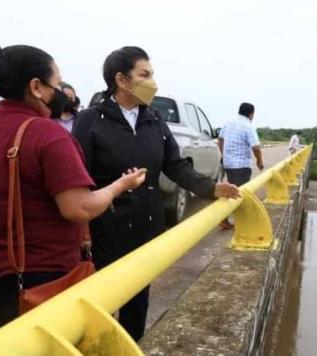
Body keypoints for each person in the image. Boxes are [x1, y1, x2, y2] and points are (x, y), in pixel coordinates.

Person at [0, 44, 147, 336]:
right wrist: (120, 186)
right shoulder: (47, 134)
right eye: (57, 84)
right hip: (39, 279)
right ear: (36, 87)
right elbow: (78, 208)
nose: (60, 93)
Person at [72, 46, 240, 341]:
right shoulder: (90, 120)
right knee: (101, 306)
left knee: (137, 304)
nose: (154, 82)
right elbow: (79, 178)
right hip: (105, 230)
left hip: (145, 227)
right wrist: (82, 230)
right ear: (122, 80)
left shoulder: (154, 119)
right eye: (145, 74)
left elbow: (175, 166)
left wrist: (212, 189)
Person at [217, 102, 263, 229]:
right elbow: (256, 147)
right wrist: (259, 161)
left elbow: (220, 140)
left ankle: (225, 219)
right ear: (251, 114)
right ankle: (237, 222)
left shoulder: (228, 123)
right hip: (241, 165)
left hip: (228, 164)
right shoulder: (248, 126)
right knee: (239, 194)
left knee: (232, 190)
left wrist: (225, 154)